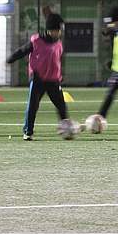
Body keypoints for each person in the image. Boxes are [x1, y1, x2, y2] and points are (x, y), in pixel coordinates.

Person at [7, 12, 69, 141]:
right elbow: (22, 51)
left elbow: (58, 60)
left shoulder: (59, 43)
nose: (59, 33)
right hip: (38, 79)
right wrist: (11, 59)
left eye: (60, 30)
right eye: (57, 30)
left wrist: (60, 74)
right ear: (50, 30)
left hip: (53, 80)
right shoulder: (36, 41)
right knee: (32, 106)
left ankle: (66, 129)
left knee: (61, 106)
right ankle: (28, 132)